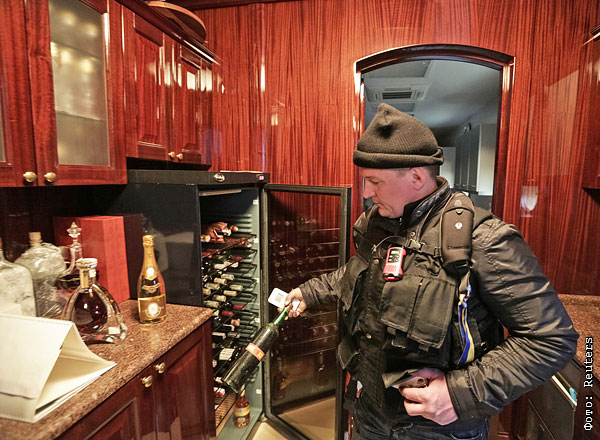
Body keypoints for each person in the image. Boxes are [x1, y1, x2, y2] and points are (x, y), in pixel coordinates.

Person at [283, 103, 578, 439]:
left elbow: (551, 340)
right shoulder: (376, 223)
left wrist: (458, 393)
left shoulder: (485, 239)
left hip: (439, 430)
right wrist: (310, 292)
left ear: (416, 177)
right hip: (370, 413)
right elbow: (359, 273)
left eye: (374, 181)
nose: (365, 193)